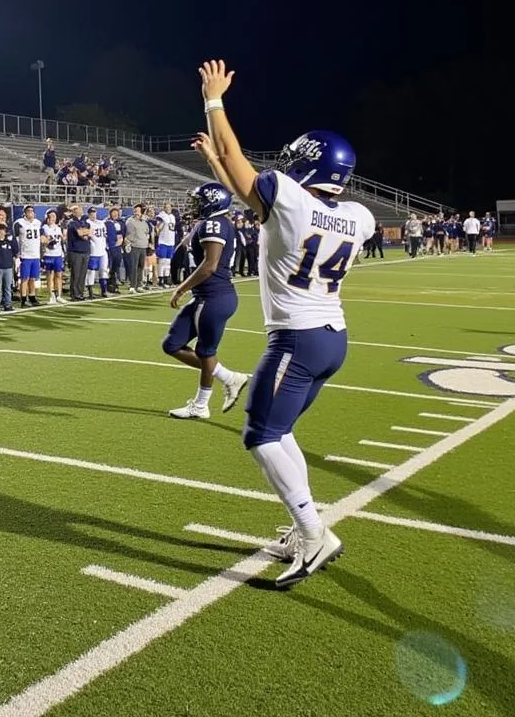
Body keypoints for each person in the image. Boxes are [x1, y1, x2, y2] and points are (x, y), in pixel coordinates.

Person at [193, 57, 374, 588]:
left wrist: (214, 100)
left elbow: (241, 163)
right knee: (281, 429)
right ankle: (307, 526)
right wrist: (216, 163)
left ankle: (314, 533)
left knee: (261, 433)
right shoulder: (358, 217)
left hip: (295, 337)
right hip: (331, 338)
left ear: (308, 165)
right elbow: (245, 183)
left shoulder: (289, 198)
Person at [165, 182, 249, 420]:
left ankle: (201, 406)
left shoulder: (215, 223)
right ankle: (229, 377)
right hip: (206, 297)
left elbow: (210, 265)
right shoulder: (210, 222)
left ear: (213, 201)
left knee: (205, 352)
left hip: (213, 296)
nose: (195, 205)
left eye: (199, 201)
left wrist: (180, 289)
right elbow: (190, 246)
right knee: (171, 344)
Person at [14, 205, 42, 307]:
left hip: (35, 255)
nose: (30, 213)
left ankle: (32, 297)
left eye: (32, 211)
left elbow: (41, 238)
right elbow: (16, 239)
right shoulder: (19, 223)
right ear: (24, 212)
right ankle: (23, 299)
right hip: (25, 255)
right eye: (28, 211)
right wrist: (17, 253)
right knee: (24, 278)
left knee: (33, 278)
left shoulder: (38, 223)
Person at [66, 204, 91, 302]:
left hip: (85, 250)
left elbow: (90, 232)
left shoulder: (83, 222)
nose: (81, 210)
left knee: (82, 274)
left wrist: (85, 232)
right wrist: (85, 232)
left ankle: (80, 292)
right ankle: (74, 293)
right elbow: (81, 233)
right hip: (75, 251)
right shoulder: (72, 223)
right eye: (79, 209)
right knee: (76, 274)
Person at [40, 209, 65, 304]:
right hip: (49, 254)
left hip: (58, 254)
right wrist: (49, 241)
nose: (52, 218)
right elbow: (42, 240)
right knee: (50, 275)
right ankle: (51, 296)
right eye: (51, 216)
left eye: (54, 216)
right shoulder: (44, 228)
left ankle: (59, 295)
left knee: (59, 275)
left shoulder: (58, 228)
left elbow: (63, 239)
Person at [86, 205, 110, 298]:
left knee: (103, 270)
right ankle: (90, 291)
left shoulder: (101, 223)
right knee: (91, 271)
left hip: (103, 250)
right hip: (93, 251)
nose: (93, 215)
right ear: (88, 214)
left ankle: (104, 290)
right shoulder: (87, 223)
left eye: (94, 213)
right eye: (91, 213)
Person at [124, 205, 149, 292]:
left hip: (143, 246)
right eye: (135, 210)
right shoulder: (130, 221)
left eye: (138, 211)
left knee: (140, 266)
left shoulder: (144, 222)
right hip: (134, 246)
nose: (136, 212)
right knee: (133, 267)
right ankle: (132, 285)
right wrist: (128, 243)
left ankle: (139, 284)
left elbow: (147, 232)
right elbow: (127, 234)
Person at [155, 203, 177, 287]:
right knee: (162, 261)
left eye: (169, 207)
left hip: (171, 241)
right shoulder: (161, 215)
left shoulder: (173, 216)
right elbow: (157, 228)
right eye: (166, 207)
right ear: (164, 208)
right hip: (163, 241)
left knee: (168, 261)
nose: (168, 208)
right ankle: (161, 279)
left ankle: (166, 278)